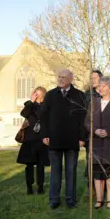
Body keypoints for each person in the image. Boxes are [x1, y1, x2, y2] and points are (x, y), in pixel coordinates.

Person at [40, 69, 87, 209]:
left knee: (71, 170)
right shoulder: (50, 95)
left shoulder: (79, 95)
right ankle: (54, 199)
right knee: (55, 170)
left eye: (63, 77)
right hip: (54, 139)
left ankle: (70, 199)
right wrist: (44, 135)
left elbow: (83, 119)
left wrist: (82, 137)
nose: (60, 79)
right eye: (59, 76)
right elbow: (43, 116)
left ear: (70, 79)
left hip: (73, 139)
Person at [86, 76, 110, 209]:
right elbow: (87, 122)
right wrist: (95, 130)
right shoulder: (93, 102)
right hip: (96, 142)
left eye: (103, 86)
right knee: (98, 174)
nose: (100, 88)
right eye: (100, 85)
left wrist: (108, 132)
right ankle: (99, 199)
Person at [16, 86, 49, 195]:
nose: (37, 97)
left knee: (41, 165)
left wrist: (40, 103)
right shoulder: (29, 105)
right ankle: (29, 187)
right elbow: (24, 114)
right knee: (29, 165)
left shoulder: (46, 106)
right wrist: (31, 101)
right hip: (29, 140)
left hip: (41, 139)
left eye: (39, 95)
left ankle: (40, 187)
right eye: (36, 94)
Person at [84, 69, 103, 187]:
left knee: (103, 162)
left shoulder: (108, 94)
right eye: (91, 78)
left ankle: (104, 188)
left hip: (105, 134)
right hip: (90, 133)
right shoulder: (86, 95)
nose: (92, 80)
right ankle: (91, 188)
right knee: (91, 161)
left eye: (95, 78)